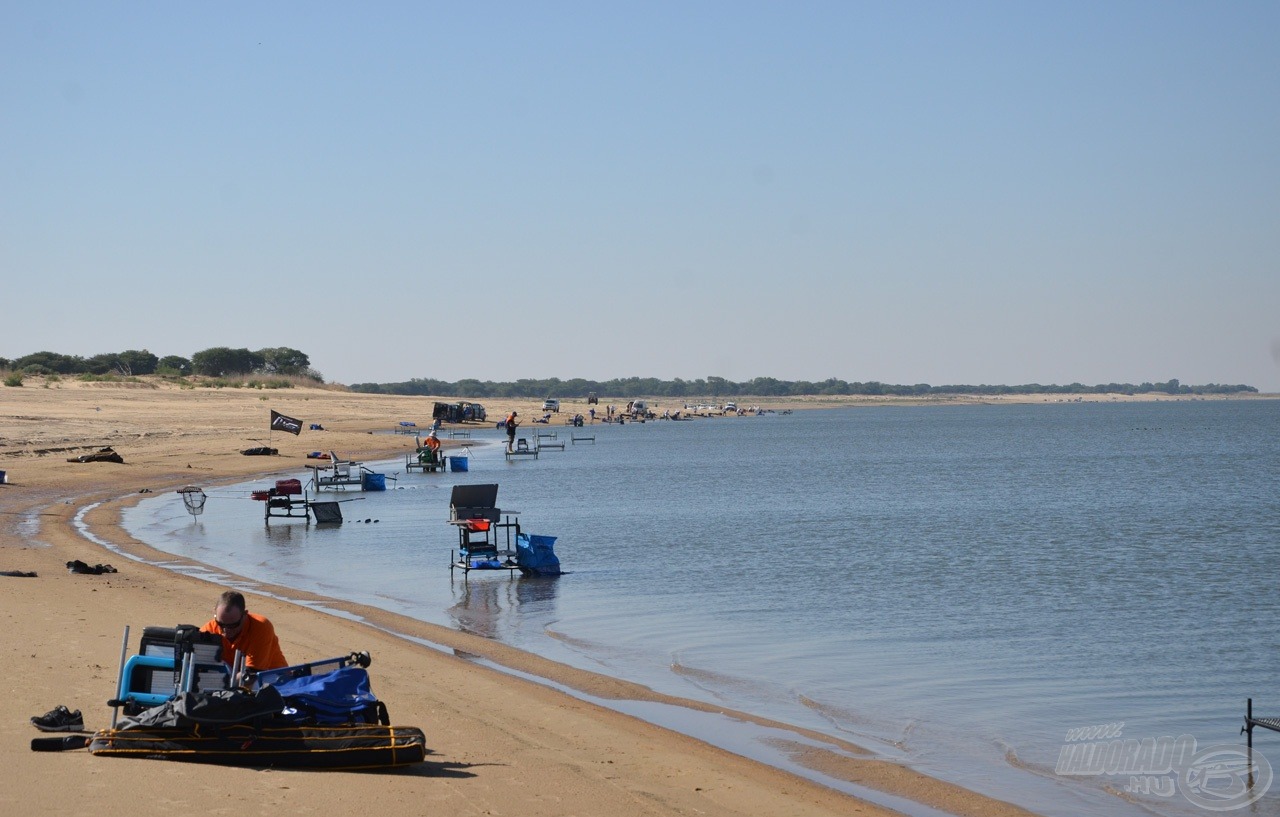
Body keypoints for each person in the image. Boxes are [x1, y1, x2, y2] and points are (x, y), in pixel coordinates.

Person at [200, 589, 288, 670]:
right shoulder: (208, 630)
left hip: (273, 677)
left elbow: (251, 673)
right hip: (231, 673)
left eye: (233, 625)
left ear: (245, 615)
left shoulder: (261, 627)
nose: (225, 630)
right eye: (220, 624)